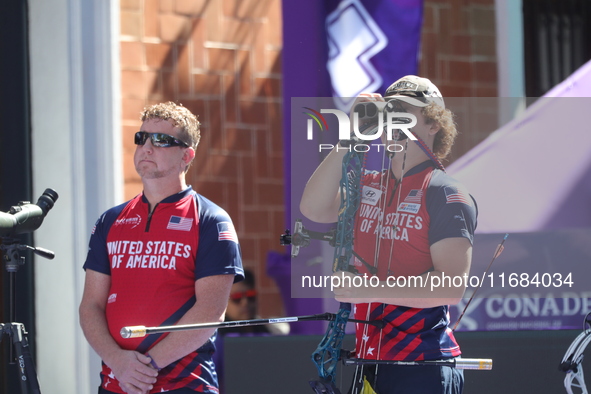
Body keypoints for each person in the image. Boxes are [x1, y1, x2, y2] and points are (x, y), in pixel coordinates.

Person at [300, 76, 477, 393]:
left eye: (403, 111)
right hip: (369, 363)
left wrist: (365, 289)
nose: (392, 120)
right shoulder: (367, 184)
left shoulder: (445, 192)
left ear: (433, 124)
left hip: (423, 365)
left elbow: (450, 286)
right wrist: (352, 137)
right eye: (388, 112)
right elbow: (313, 208)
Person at [79, 102, 243, 394]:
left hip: (183, 383)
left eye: (161, 140)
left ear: (187, 155)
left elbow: (211, 312)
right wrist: (118, 361)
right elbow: (91, 305)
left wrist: (146, 367)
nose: (147, 147)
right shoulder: (110, 220)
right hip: (118, 381)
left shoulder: (211, 220)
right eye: (142, 138)